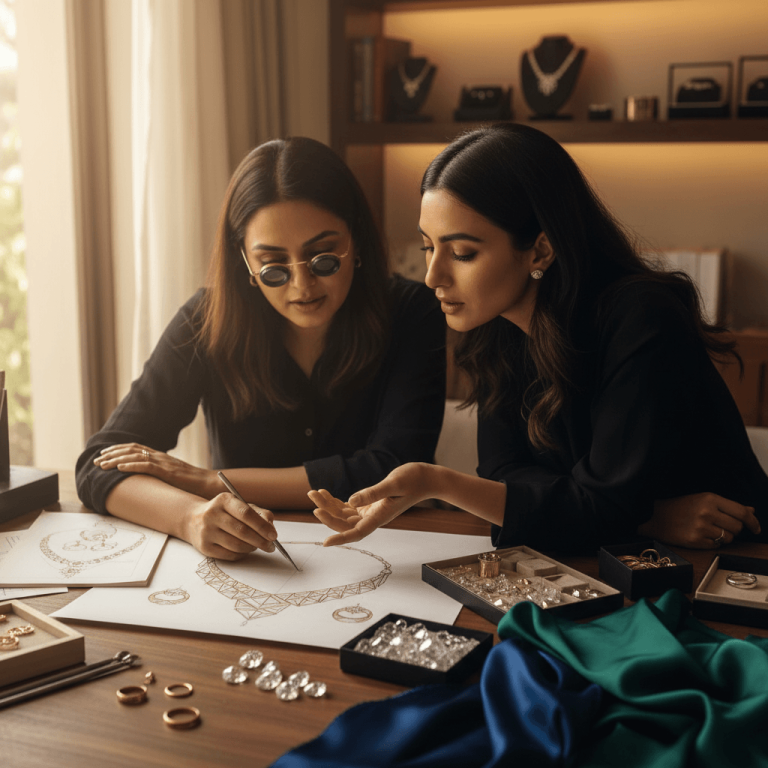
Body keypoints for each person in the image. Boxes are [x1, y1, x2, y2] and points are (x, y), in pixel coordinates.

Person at [311, 123, 767, 553]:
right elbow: (505, 473)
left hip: (731, 559)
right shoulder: (495, 322)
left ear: (541, 249)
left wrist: (436, 482)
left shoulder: (640, 318)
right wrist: (645, 518)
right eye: (429, 246)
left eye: (463, 252)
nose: (433, 276)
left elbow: (590, 505)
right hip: (623, 553)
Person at [76, 137, 446, 561]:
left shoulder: (414, 313)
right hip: (256, 564)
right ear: (245, 263)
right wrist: (190, 517)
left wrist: (213, 481)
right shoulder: (207, 320)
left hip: (393, 556)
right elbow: (96, 466)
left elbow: (394, 469)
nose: (302, 286)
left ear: (356, 240)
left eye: (324, 258)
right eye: (273, 267)